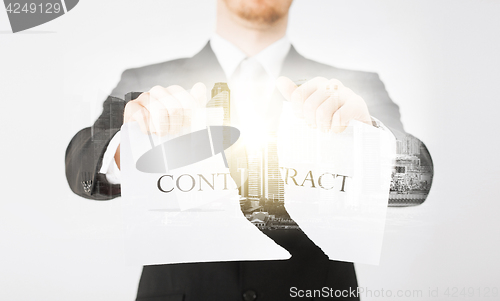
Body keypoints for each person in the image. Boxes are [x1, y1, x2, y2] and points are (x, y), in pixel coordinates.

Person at [65, 0, 432, 299]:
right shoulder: (145, 81)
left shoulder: (354, 89)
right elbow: (82, 174)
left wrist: (367, 135)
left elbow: (415, 183)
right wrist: (126, 147)